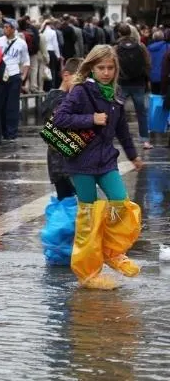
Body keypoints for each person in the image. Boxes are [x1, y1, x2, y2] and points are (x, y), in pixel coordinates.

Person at [52, 45, 144, 290]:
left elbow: (122, 130)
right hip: (80, 162)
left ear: (116, 69)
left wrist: (133, 156)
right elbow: (60, 118)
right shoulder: (81, 91)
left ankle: (112, 252)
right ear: (91, 67)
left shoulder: (116, 95)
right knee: (89, 217)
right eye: (101, 67)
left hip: (105, 160)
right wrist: (90, 119)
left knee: (121, 204)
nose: (106, 72)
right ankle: (89, 272)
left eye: (110, 68)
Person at [41, 58, 82, 200]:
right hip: (62, 164)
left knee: (71, 204)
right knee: (72, 203)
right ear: (66, 76)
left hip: (65, 163)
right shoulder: (59, 99)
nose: (81, 85)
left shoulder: (59, 97)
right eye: (79, 79)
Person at [114, 23, 152, 149]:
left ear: (119, 33)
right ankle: (145, 141)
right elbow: (147, 63)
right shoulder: (141, 46)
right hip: (138, 83)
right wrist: (146, 79)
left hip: (122, 83)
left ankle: (111, 138)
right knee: (141, 113)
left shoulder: (116, 48)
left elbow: (113, 65)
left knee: (116, 111)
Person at [0, 19, 30, 143]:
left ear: (13, 29)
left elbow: (26, 60)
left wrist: (23, 76)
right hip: (1, 75)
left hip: (14, 74)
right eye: (4, 27)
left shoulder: (21, 43)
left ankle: (11, 132)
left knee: (13, 105)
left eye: (7, 27)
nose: (5, 29)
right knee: (0, 104)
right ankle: (2, 130)